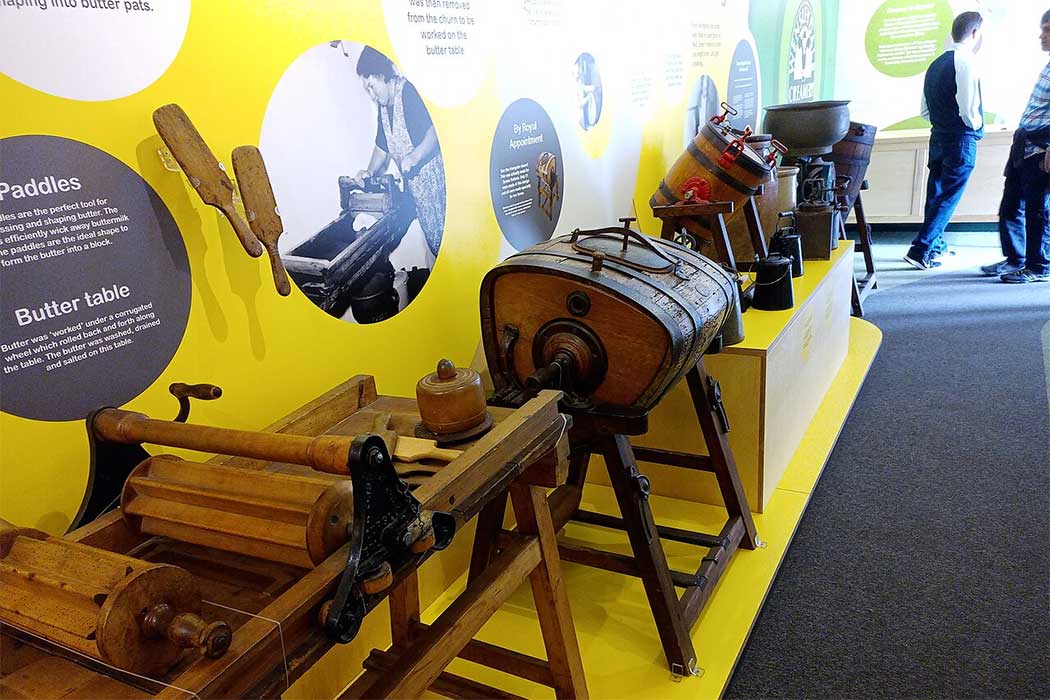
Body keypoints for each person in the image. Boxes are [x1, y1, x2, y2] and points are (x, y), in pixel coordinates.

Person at [903, 11, 984, 270]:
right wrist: (978, 126)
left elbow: (924, 111)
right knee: (948, 196)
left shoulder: (935, 63)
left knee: (936, 193)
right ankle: (921, 248)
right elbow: (969, 110)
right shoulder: (967, 61)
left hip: (937, 136)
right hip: (960, 138)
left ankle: (934, 244)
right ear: (975, 33)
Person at [348, 46, 445, 259]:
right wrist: (369, 171)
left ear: (382, 76)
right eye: (368, 90)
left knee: (445, 245)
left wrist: (415, 156)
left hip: (436, 187)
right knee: (433, 246)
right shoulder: (384, 109)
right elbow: (382, 148)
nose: (372, 95)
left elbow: (434, 132)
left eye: (372, 87)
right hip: (418, 193)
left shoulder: (408, 93)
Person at [981, 10, 1050, 283]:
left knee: (1038, 209)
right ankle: (1015, 259)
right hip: (1024, 144)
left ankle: (1039, 266)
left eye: (1047, 29)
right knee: (1011, 204)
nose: (1041, 35)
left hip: (1042, 147)